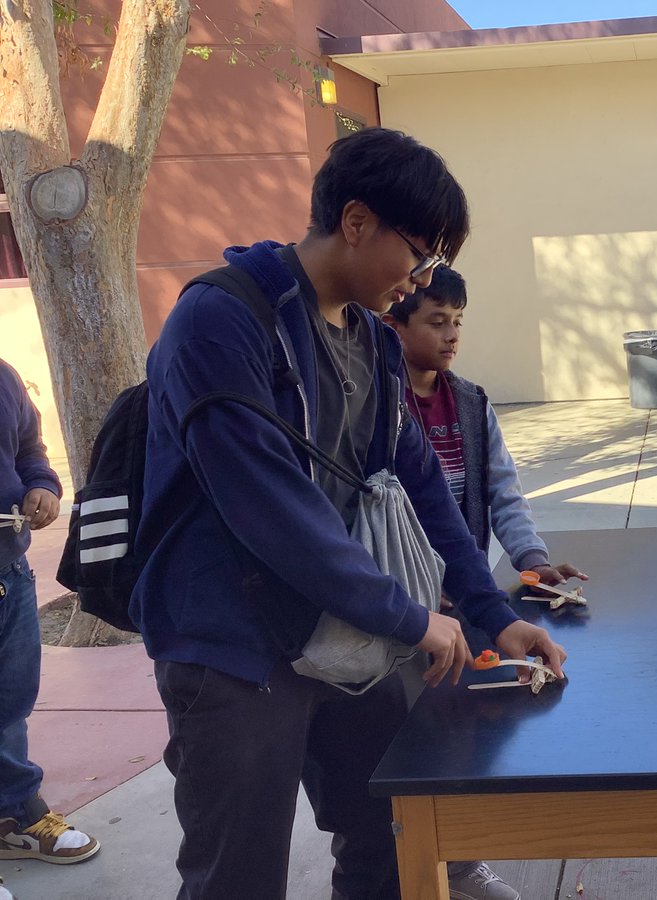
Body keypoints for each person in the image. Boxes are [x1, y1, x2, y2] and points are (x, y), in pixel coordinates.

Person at [132, 128, 565, 900]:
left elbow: (421, 484)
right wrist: (407, 616)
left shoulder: (371, 338)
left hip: (345, 639)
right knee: (239, 877)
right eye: (420, 251)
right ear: (357, 221)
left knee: (393, 840)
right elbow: (269, 505)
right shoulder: (221, 321)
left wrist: (491, 612)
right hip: (233, 650)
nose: (422, 276)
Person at [383, 269, 586, 899]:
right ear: (396, 323)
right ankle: (407, 867)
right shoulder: (374, 402)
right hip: (400, 613)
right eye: (436, 321)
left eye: (458, 321)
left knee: (463, 737)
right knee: (405, 751)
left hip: (467, 602)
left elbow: (502, 491)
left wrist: (530, 557)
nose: (451, 335)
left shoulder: (470, 403)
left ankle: (463, 869)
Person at [0, 360, 100, 871]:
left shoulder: (3, 376)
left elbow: (29, 452)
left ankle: (13, 815)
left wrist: (43, 486)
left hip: (8, 574)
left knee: (11, 704)